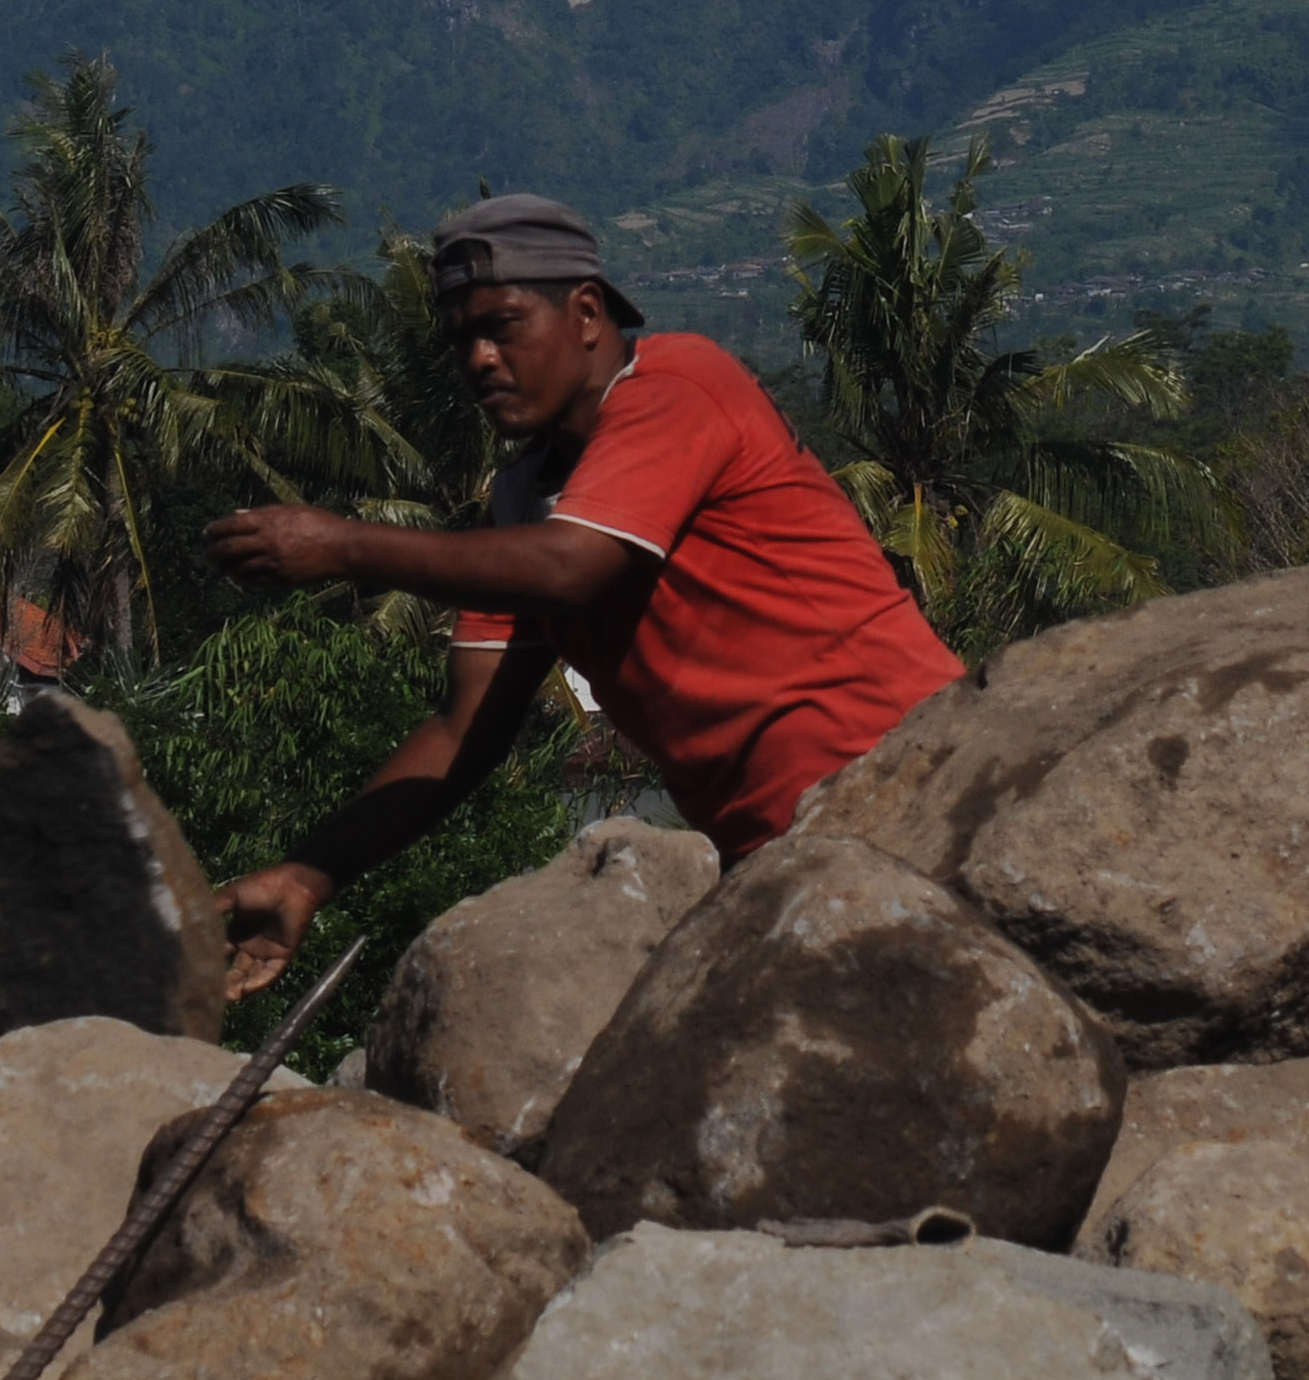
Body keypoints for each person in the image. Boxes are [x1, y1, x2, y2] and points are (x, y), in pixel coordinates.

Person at [200, 192, 963, 993]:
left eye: (502, 326)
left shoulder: (678, 385)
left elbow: (574, 566)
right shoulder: (525, 502)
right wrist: (308, 875)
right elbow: (467, 730)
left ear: (589, 313)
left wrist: (344, 544)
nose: (479, 360)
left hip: (908, 793)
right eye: (462, 340)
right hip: (780, 857)